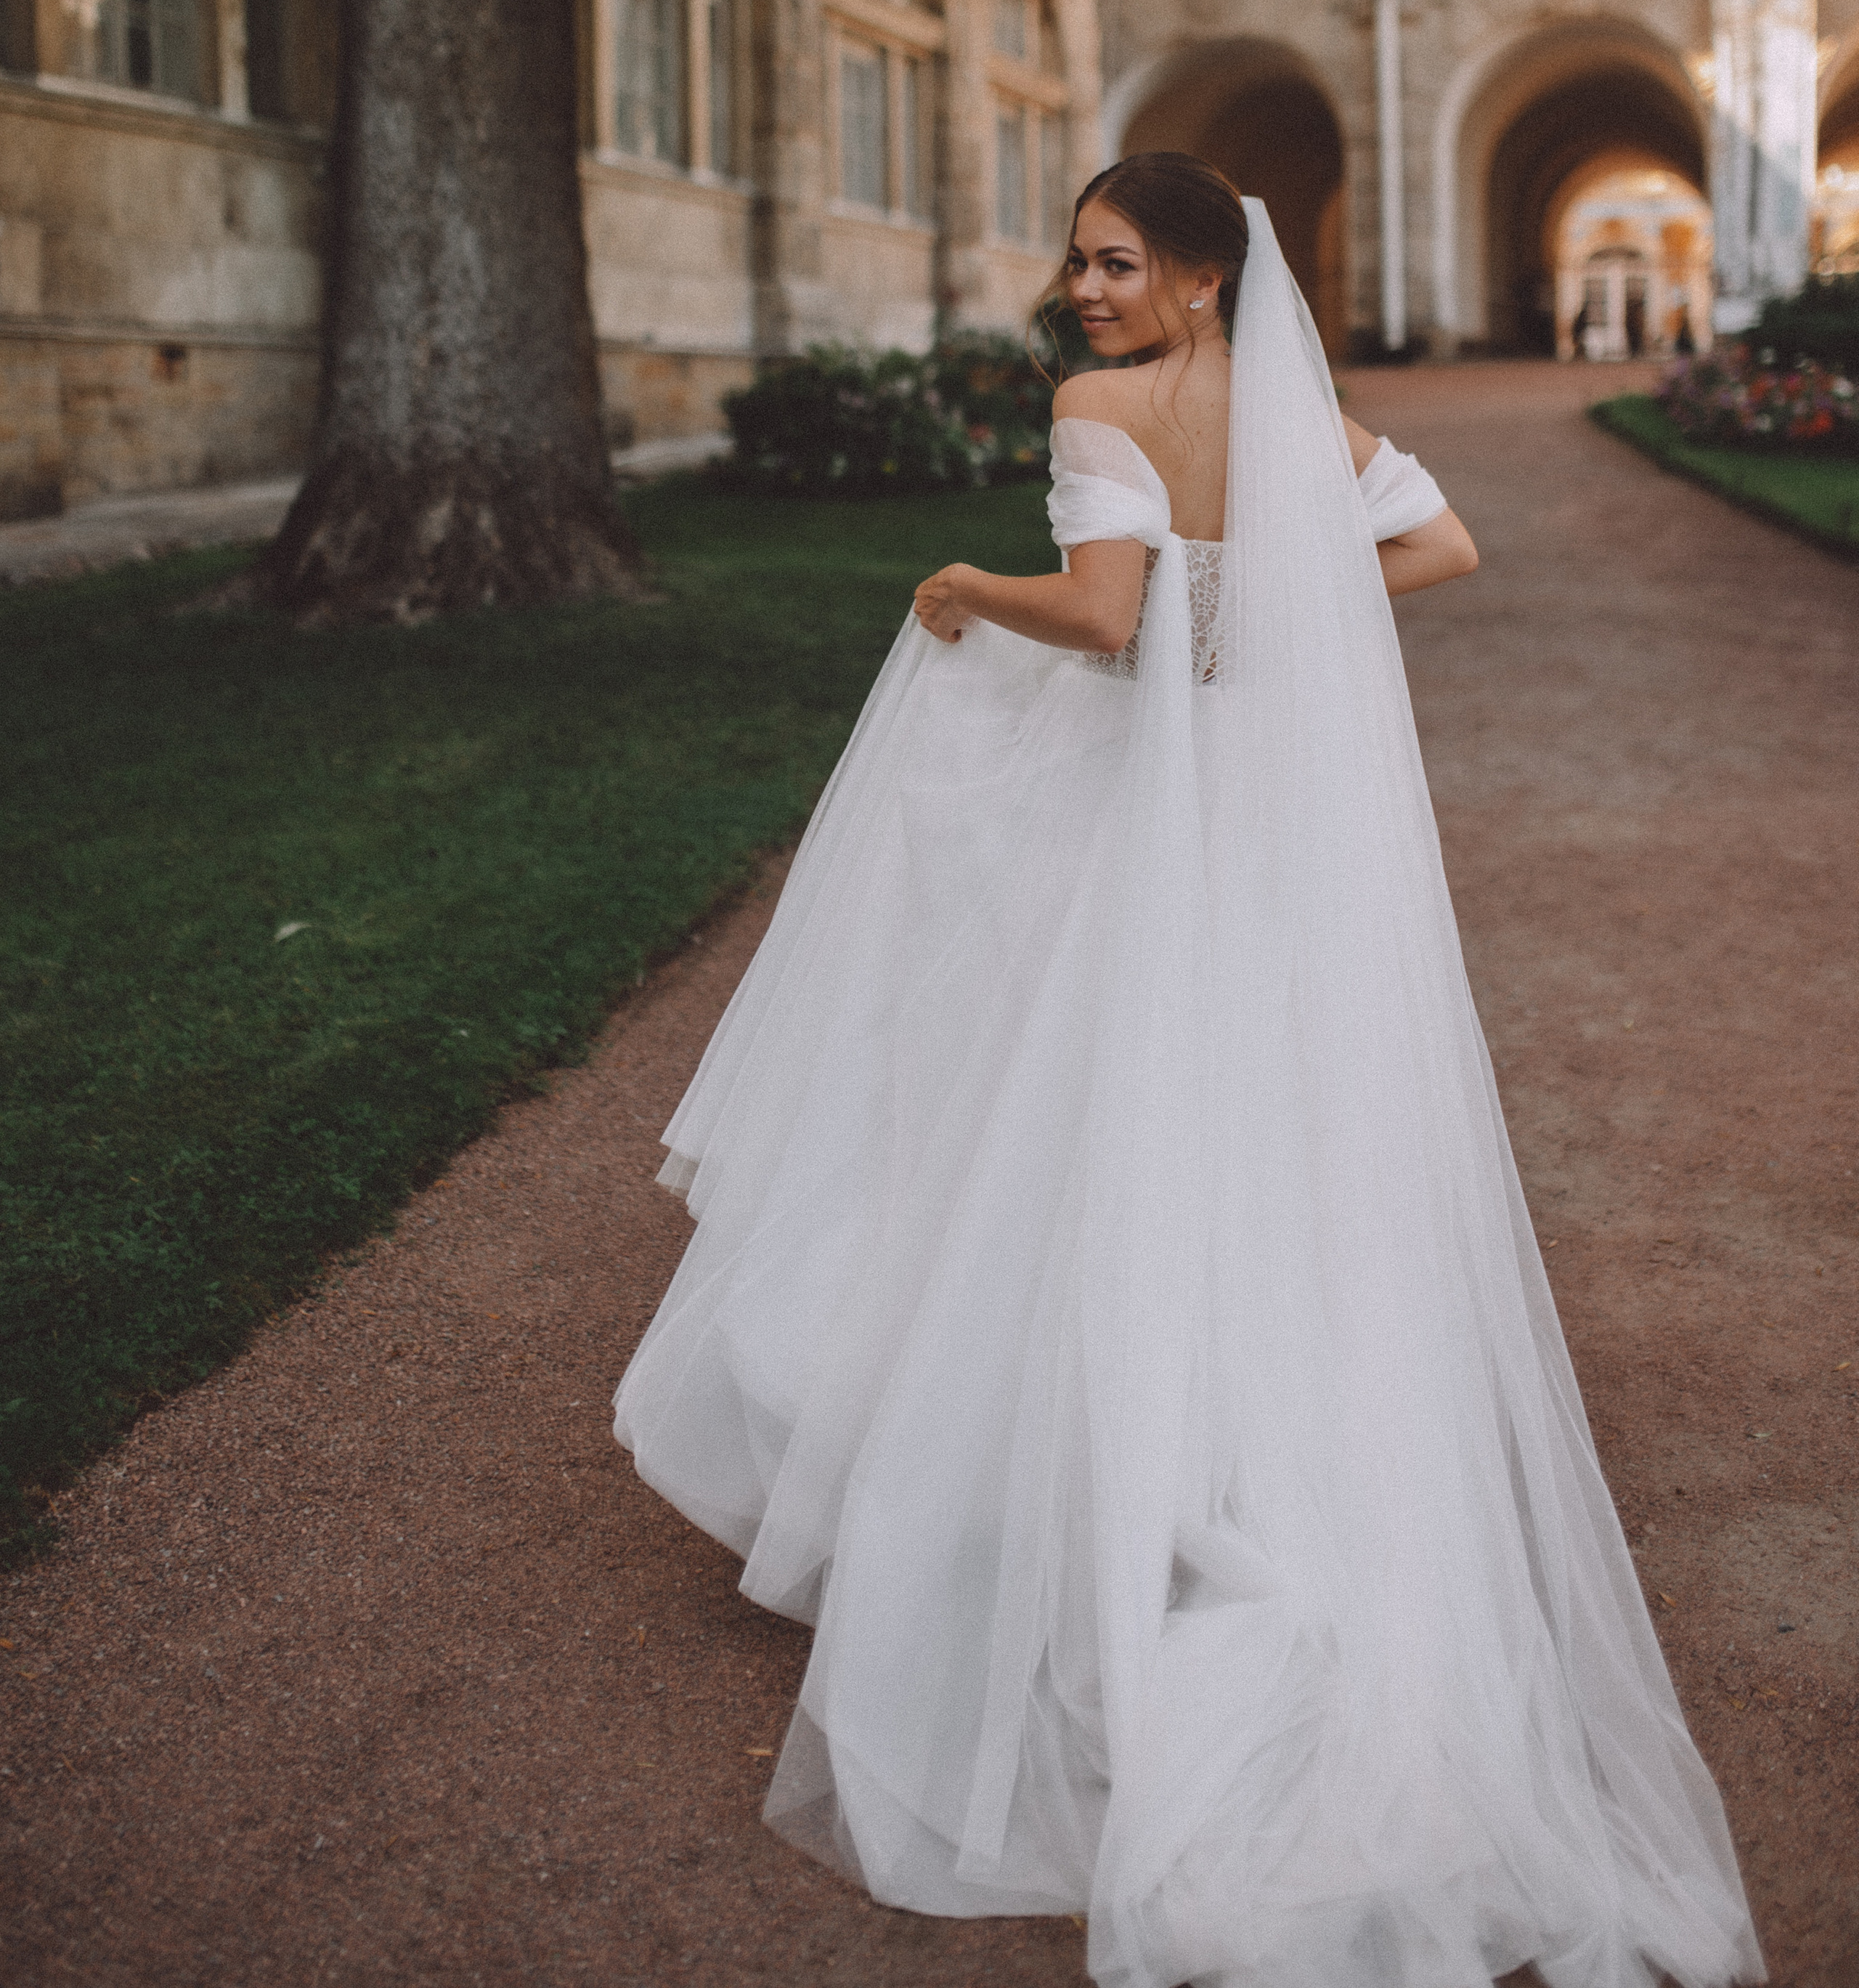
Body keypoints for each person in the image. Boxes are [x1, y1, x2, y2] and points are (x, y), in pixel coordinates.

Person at [614, 155, 1762, 1988]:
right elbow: (1442, 544)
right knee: (1262, 1101)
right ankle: (1231, 1449)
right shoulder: (1292, 404)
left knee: (1070, 1102)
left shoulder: (1099, 407)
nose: (1081, 289)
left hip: (1139, 804)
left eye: (1118, 260)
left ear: (1207, 280)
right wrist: (1273, 609)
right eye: (1075, 261)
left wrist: (963, 582)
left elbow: (1102, 616)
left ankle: (1076, 1478)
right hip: (1264, 807)